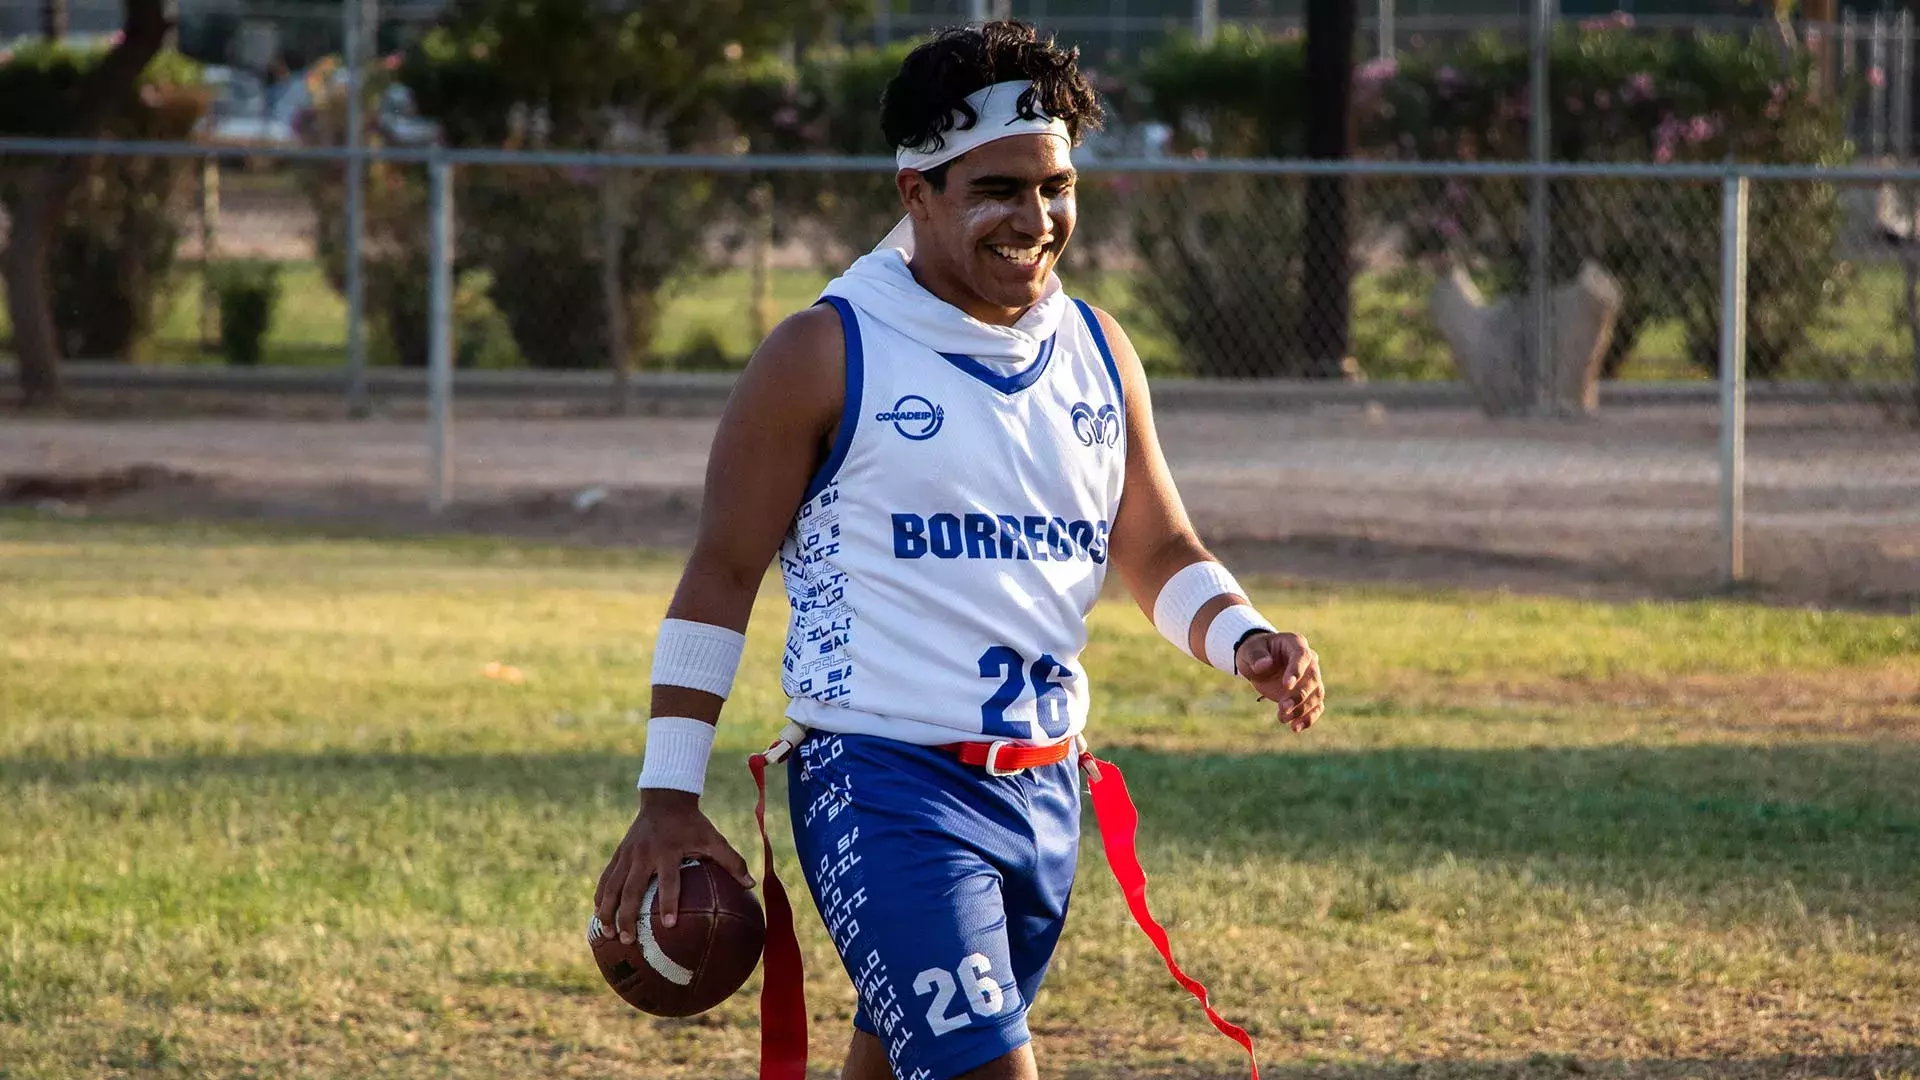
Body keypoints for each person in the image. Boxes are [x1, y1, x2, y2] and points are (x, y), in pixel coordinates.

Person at [594, 21, 1325, 1080]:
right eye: (998, 189)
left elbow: (1157, 544)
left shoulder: (1100, 351)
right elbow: (720, 573)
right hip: (883, 787)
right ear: (916, 192)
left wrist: (1245, 639)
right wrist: (668, 794)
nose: (1035, 220)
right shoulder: (824, 351)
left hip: (1044, 793)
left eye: (1055, 187)